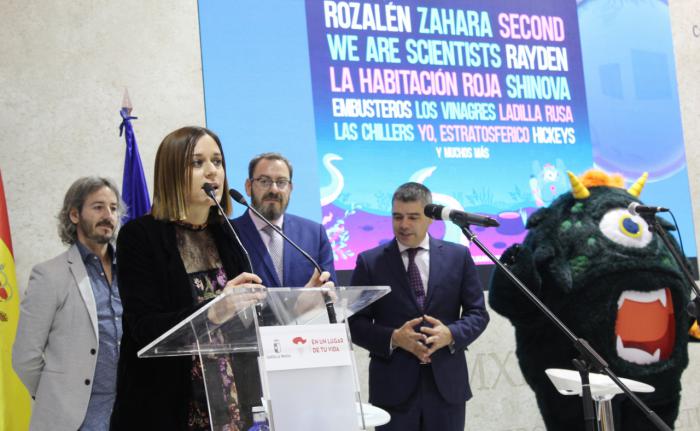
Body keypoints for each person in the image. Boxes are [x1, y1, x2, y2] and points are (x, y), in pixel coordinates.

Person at [110, 127, 331, 431]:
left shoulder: (226, 233)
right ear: (171, 172)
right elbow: (142, 328)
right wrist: (213, 311)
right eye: (197, 163)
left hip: (232, 406)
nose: (212, 171)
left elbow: (251, 319)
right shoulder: (140, 237)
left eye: (217, 161)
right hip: (168, 406)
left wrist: (300, 302)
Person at [348, 182, 489, 431]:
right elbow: (355, 324)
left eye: (413, 217)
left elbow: (477, 314)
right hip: (393, 389)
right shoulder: (370, 263)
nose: (403, 225)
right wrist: (394, 338)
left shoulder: (459, 257)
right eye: (397, 216)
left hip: (446, 387)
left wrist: (451, 334)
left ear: (430, 218)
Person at [13, 177, 123, 431]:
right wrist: (57, 397)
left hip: (127, 411)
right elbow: (24, 356)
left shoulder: (131, 271)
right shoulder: (49, 275)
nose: (108, 215)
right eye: (98, 207)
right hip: (73, 420)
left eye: (113, 208)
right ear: (74, 215)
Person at [232, 153, 336, 287]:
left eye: (281, 182)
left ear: (290, 188)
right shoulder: (229, 233)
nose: (274, 190)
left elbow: (331, 293)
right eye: (264, 181)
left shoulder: (315, 234)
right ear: (248, 186)